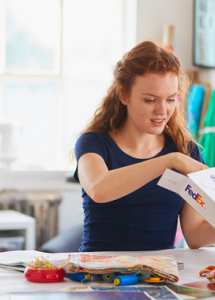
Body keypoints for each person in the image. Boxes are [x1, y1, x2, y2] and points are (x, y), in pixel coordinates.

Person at [74, 40, 215, 252]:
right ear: (123, 94)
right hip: (100, 273)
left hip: (160, 274)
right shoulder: (94, 143)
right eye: (150, 100)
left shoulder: (185, 150)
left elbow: (194, 235)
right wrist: (170, 161)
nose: (162, 111)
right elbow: (99, 189)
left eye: (170, 100)